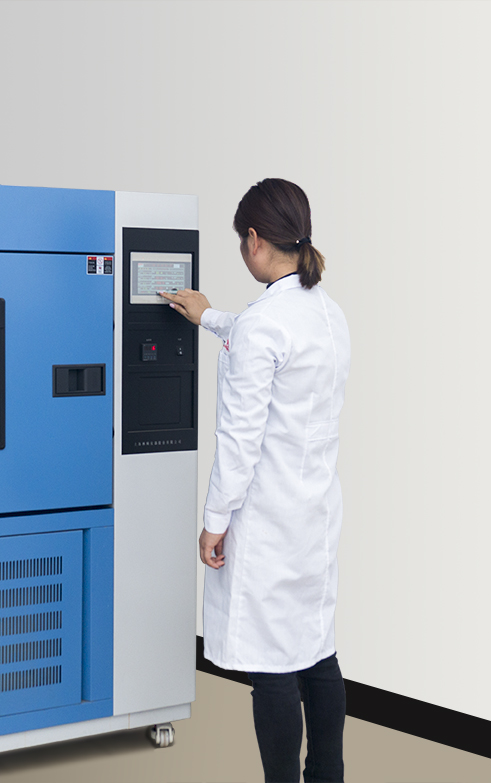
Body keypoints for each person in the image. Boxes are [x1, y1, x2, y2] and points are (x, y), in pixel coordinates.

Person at [161, 178, 352, 783]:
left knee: (271, 667)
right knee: (317, 651)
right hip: (315, 513)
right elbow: (258, 335)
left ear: (254, 239)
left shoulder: (265, 324)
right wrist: (209, 316)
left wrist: (213, 522)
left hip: (269, 520)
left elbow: (239, 443)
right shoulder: (327, 313)